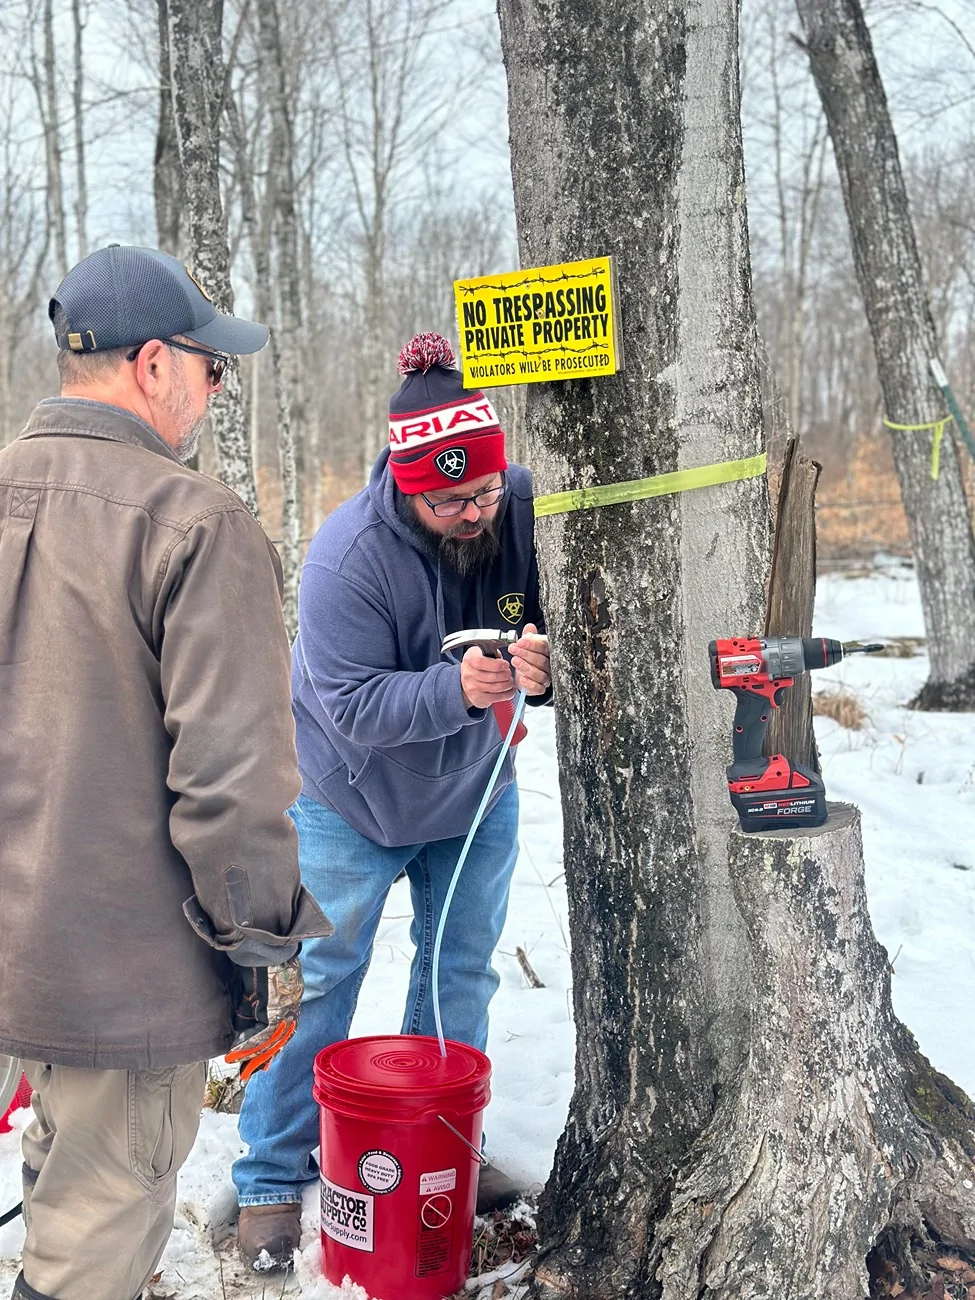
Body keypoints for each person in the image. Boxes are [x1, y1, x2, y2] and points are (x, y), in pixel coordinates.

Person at [0, 244, 331, 1300]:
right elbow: (233, 786)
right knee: (90, 1247)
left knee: (61, 1178)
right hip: (119, 979)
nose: (215, 389)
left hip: (20, 958)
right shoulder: (195, 523)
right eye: (210, 367)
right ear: (153, 365)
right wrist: (266, 944)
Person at [233, 332, 553, 1270]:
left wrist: (543, 660)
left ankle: (436, 1144)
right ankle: (267, 1177)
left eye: (484, 490)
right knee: (321, 983)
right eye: (450, 497)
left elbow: (565, 614)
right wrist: (463, 689)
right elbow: (351, 707)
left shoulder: (525, 506)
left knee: (459, 974)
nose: (473, 510)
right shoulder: (347, 558)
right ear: (404, 482)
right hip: (349, 800)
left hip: (475, 790)